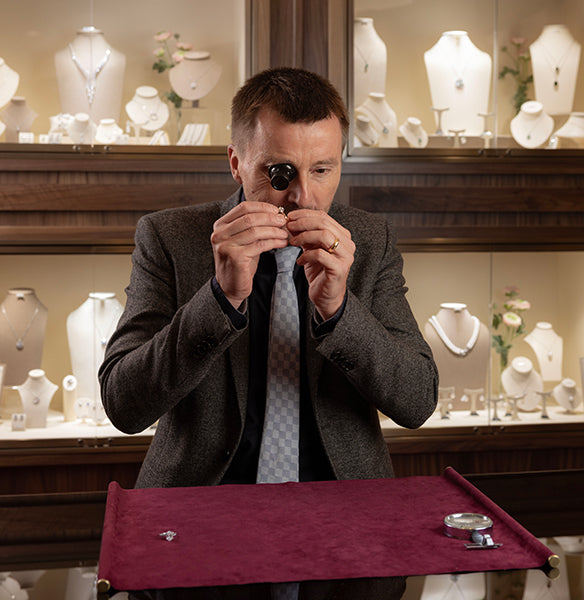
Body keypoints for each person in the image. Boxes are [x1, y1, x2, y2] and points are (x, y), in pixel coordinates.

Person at [99, 67, 438, 600]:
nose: (304, 197)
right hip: (195, 528)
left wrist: (339, 310)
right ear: (236, 162)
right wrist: (220, 299)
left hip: (345, 532)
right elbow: (123, 403)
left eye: (323, 169)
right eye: (280, 172)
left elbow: (417, 401)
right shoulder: (168, 237)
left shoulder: (369, 241)